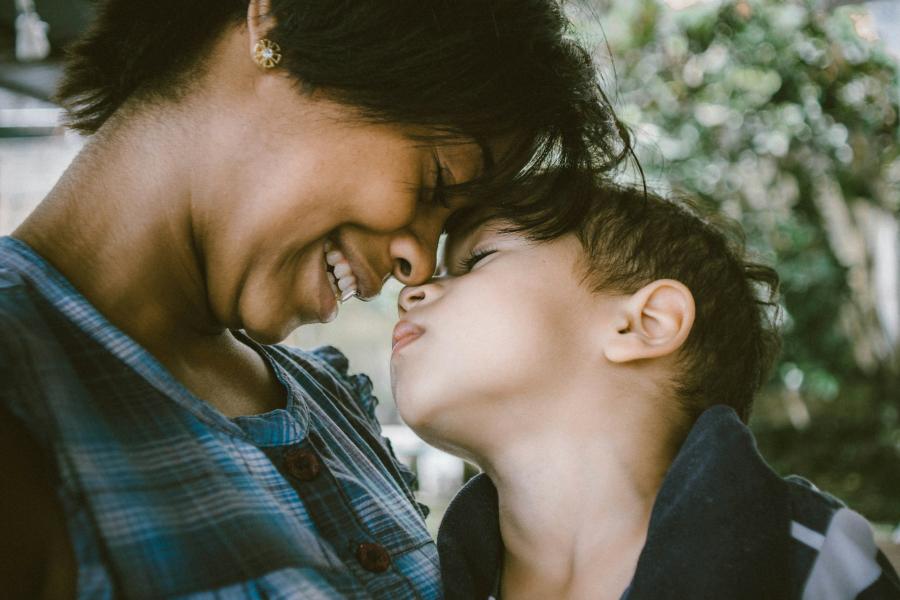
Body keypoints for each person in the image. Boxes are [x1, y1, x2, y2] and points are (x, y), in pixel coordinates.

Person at [0, 0, 629, 597]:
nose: (417, 265)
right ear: (275, 27)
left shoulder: (332, 409)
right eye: (436, 179)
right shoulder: (21, 375)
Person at [391, 176, 900, 599]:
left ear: (646, 322)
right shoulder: (405, 581)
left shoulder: (816, 565)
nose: (411, 291)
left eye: (477, 259)